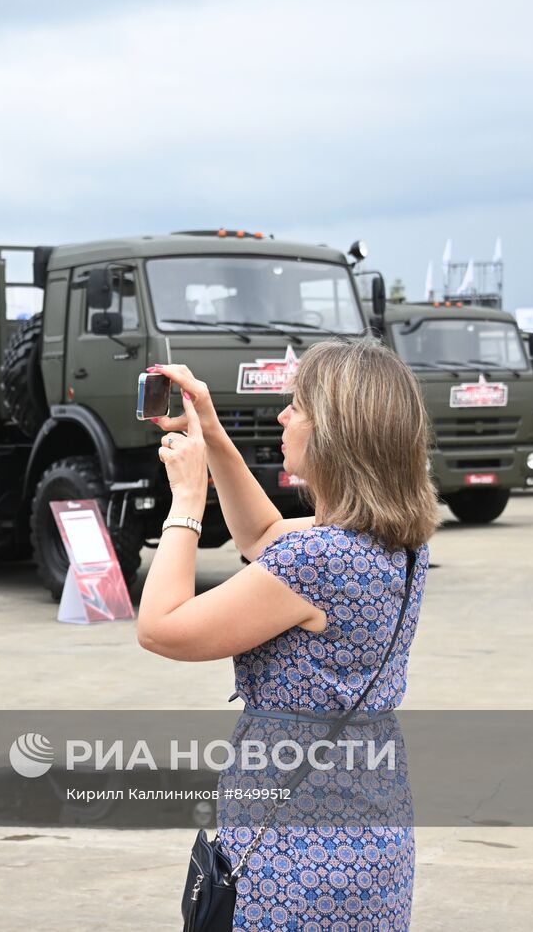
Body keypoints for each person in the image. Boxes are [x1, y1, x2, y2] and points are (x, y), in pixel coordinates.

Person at [136, 339, 440, 930]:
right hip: (369, 834)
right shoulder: (397, 540)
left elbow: (160, 628)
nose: (282, 416)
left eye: (296, 406)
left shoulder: (316, 561)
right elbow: (263, 533)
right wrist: (213, 433)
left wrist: (186, 501)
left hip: (294, 855)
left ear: (334, 431)